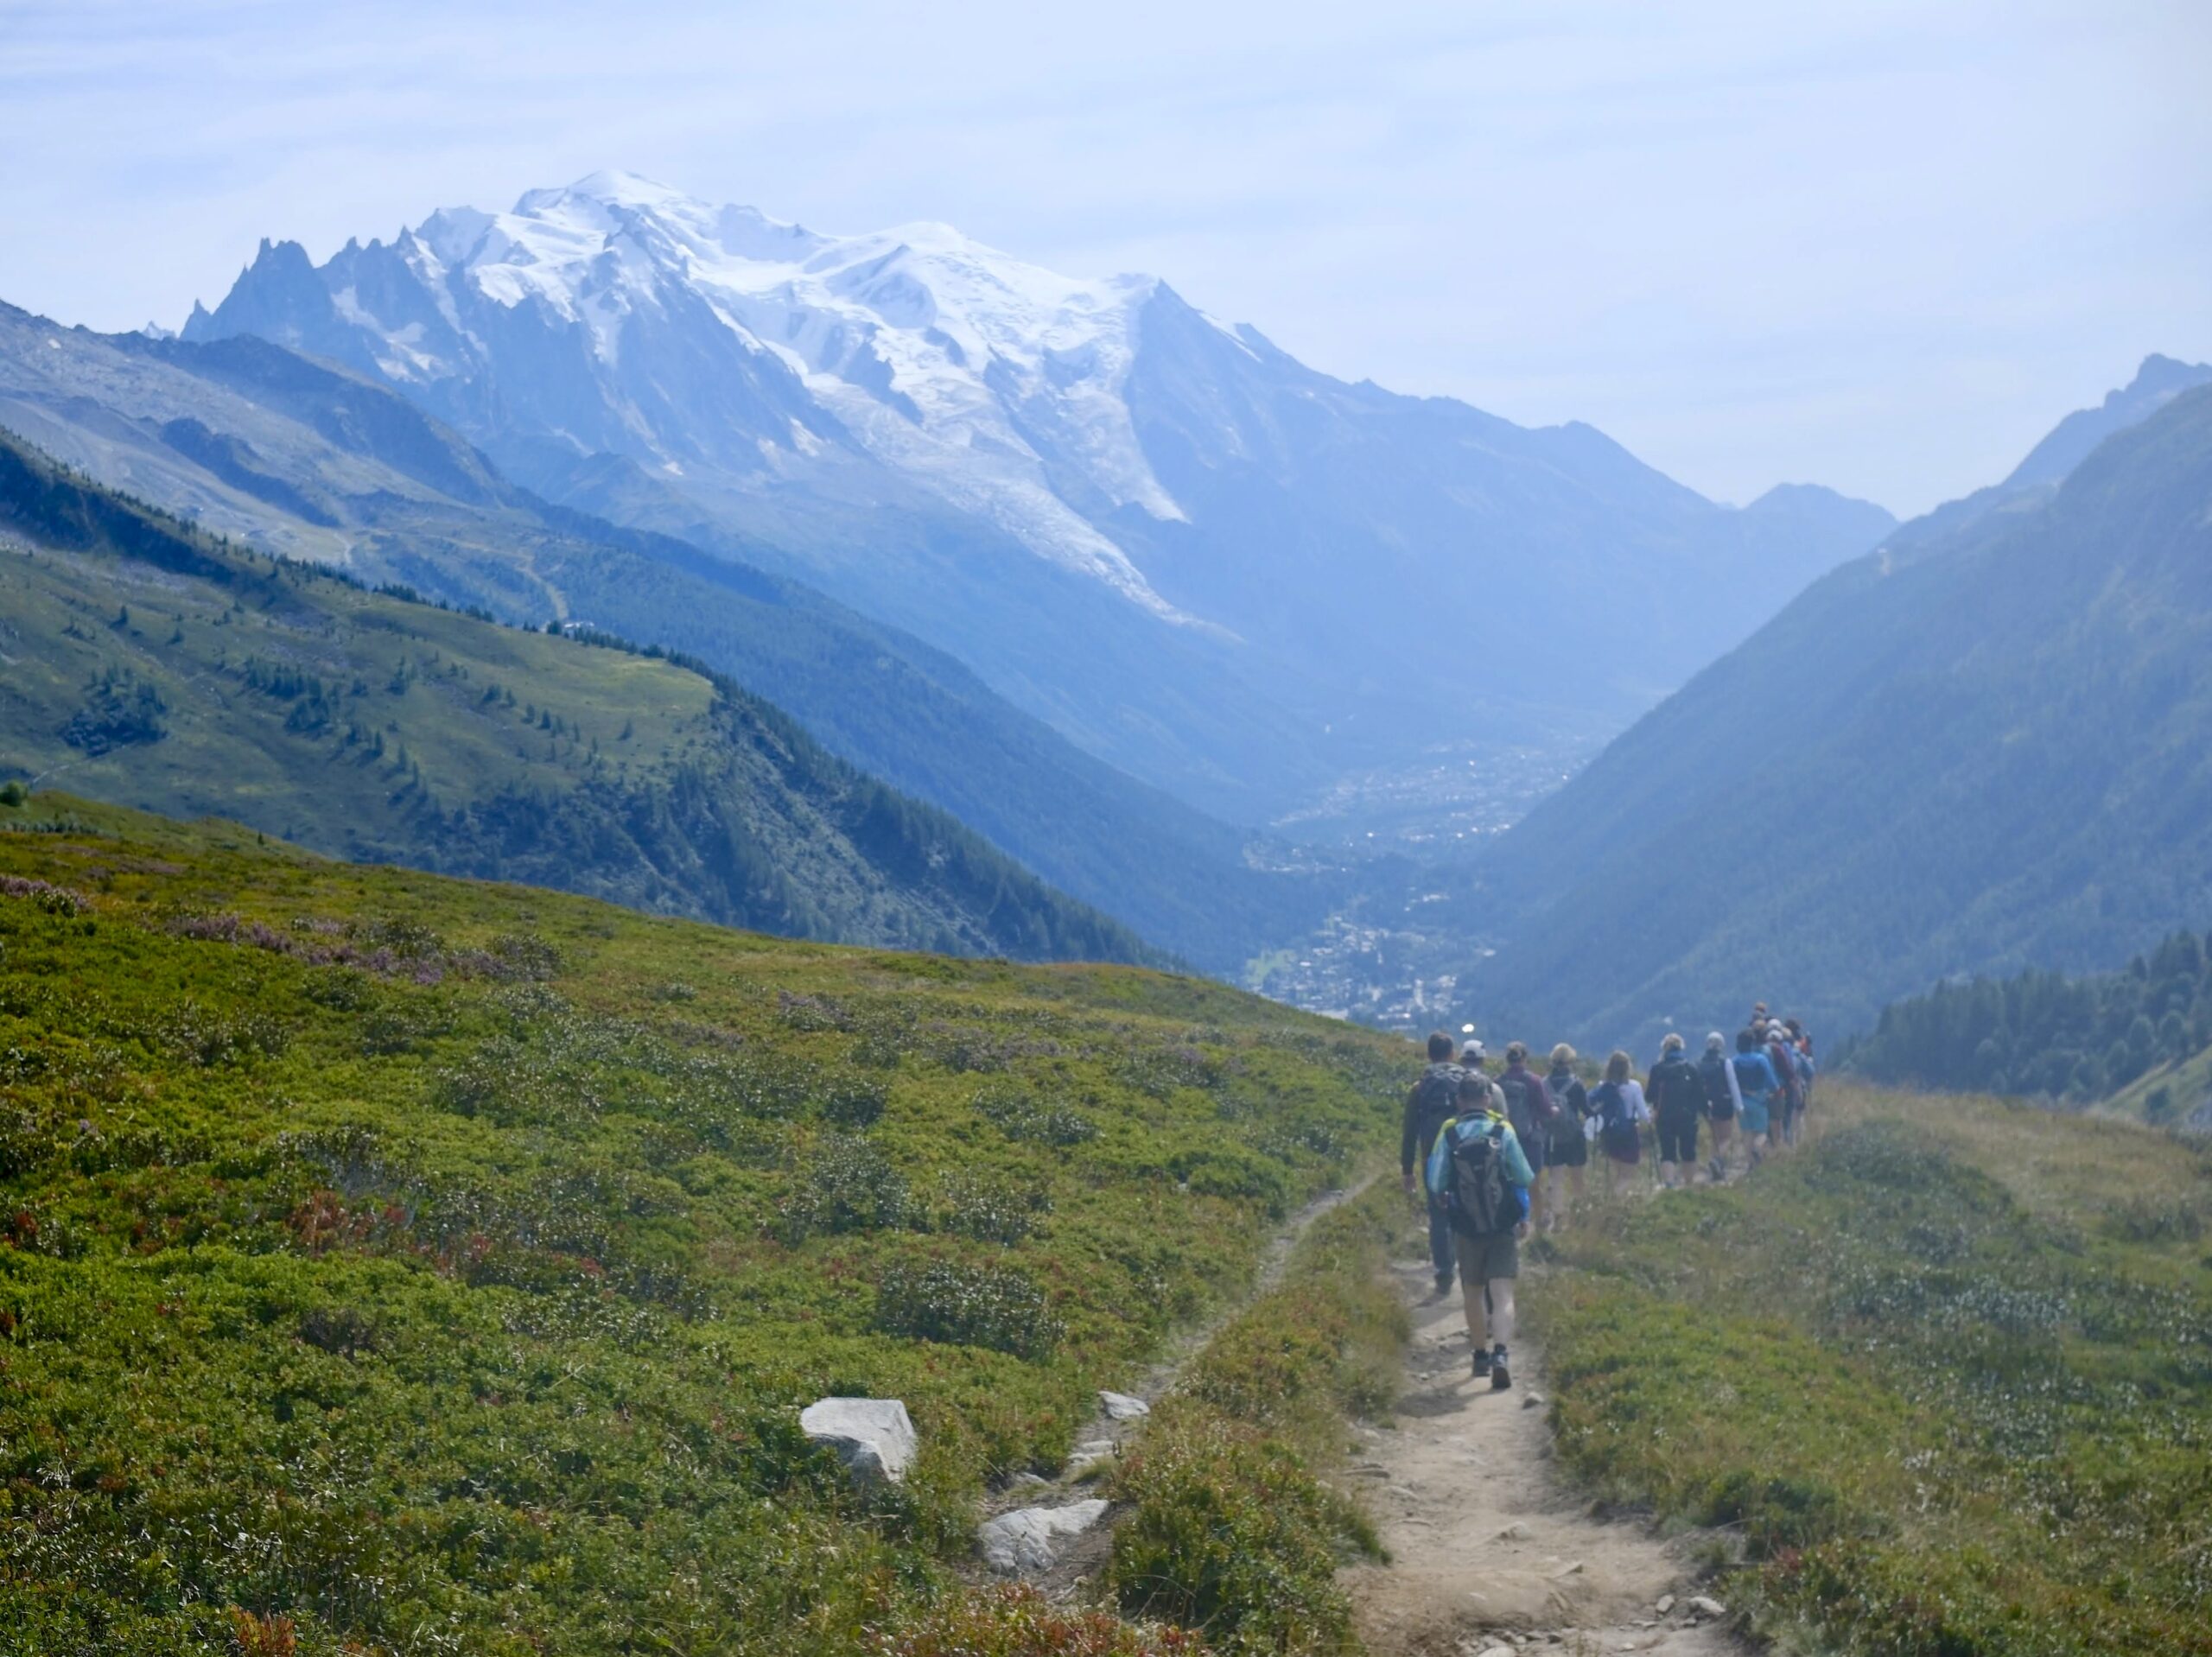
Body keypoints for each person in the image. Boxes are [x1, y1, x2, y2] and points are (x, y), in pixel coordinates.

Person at [1425, 1071, 1534, 1387]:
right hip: (1501, 1224)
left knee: (1472, 1292)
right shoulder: (1503, 1130)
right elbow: (1524, 1176)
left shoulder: (1450, 1133)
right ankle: (1501, 1353)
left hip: (1466, 1224)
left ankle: (1479, 1357)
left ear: (1459, 1101)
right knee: (1502, 1294)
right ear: (1487, 1099)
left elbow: (1435, 1182)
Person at [1402, 1032, 1467, 1298]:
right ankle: (1470, 1268)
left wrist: (1407, 1170)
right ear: (1453, 1054)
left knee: (1438, 1216)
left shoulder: (1420, 1088)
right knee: (1466, 1211)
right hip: (1466, 1156)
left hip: (1432, 1158)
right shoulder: (1467, 1083)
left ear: (1429, 1055)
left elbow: (1410, 1133)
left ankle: (1443, 1274)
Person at [1493, 1041, 1554, 1230]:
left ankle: (1515, 1222)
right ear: (1525, 1058)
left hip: (1506, 1138)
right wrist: (1555, 1111)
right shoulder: (1534, 1081)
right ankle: (1538, 1224)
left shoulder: (1498, 1082)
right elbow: (1545, 1109)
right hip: (1530, 1139)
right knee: (1534, 1182)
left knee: (1507, 1181)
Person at [1646, 1032, 1705, 1189]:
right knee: (1688, 1151)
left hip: (1664, 1116)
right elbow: (1699, 1094)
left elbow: (1650, 1096)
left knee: (1667, 1152)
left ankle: (1669, 1184)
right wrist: (1705, 1112)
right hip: (1687, 1116)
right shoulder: (1690, 1068)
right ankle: (1689, 1184)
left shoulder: (1657, 1069)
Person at [1541, 1043, 1589, 1230]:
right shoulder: (1576, 1084)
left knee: (1556, 1178)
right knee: (1577, 1177)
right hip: (1574, 1136)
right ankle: (1578, 1216)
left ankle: (1557, 1217)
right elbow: (1586, 1109)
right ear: (1570, 1061)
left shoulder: (1544, 1084)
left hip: (1551, 1137)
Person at [1589, 1050, 1648, 1195]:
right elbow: (1644, 1114)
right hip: (1629, 1132)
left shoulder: (1604, 1086)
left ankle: (1615, 1203)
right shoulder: (1634, 1087)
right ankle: (1617, 1199)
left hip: (1609, 1133)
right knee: (1628, 1174)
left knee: (1618, 1172)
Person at [1731, 1027, 1781, 1168]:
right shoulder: (1761, 1059)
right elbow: (1771, 1081)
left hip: (1741, 1101)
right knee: (1761, 1132)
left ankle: (1750, 1164)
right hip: (1759, 1100)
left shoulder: (1734, 1061)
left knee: (1747, 1133)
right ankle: (1757, 1149)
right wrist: (1776, 1091)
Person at [1698, 1031, 1741, 1181]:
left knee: (1714, 1136)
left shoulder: (1700, 1063)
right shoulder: (1725, 1062)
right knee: (1726, 1137)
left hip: (1707, 1105)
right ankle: (1717, 1160)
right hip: (1724, 1102)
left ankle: (1715, 1164)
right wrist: (1739, 1106)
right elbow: (1732, 1084)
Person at [1764, 1020, 1802, 1150]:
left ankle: (1768, 1145)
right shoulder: (1782, 1049)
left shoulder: (1762, 1049)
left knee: (1767, 1121)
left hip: (1762, 1090)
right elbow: (1789, 1069)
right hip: (1781, 1088)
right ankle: (1783, 1145)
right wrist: (1796, 1088)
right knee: (1782, 1119)